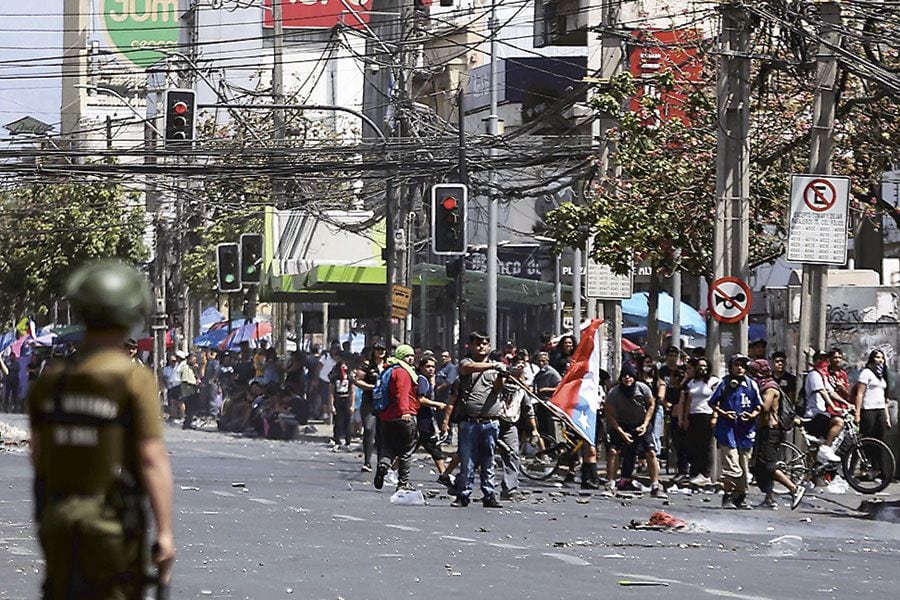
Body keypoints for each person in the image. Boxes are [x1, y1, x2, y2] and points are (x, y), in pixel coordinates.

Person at [27, 259, 174, 598]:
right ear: (131, 311)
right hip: (112, 526)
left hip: (58, 522)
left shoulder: (51, 381)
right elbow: (151, 458)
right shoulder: (133, 378)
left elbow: (39, 457)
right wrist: (165, 534)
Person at [444, 332, 507, 508]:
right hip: (469, 422)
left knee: (488, 461)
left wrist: (502, 374)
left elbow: (497, 390)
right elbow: (467, 369)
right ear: (471, 346)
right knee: (467, 461)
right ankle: (464, 494)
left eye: (485, 344)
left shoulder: (495, 369)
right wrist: (493, 366)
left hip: (490, 422)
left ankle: (489, 495)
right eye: (477, 344)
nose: (481, 347)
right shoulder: (467, 363)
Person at [748, 359, 805, 510]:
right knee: (758, 466)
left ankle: (794, 488)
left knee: (768, 466)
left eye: (754, 373)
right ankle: (769, 498)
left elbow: (764, 407)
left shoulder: (770, 388)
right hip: (763, 430)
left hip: (771, 431)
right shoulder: (762, 386)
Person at [604, 363, 667, 498]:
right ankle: (610, 484)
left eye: (630, 376)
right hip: (621, 424)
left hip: (640, 424)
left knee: (650, 452)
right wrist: (621, 432)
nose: (627, 378)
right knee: (613, 451)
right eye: (624, 376)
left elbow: (651, 404)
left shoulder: (643, 388)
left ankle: (656, 485)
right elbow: (609, 414)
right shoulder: (614, 393)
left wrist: (645, 424)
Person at [708, 354, 762, 509]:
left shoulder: (751, 384)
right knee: (732, 466)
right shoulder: (724, 384)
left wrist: (751, 415)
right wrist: (723, 413)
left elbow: (758, 406)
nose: (740, 368)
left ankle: (740, 496)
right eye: (736, 365)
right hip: (727, 429)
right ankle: (727, 495)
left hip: (745, 430)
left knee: (744, 466)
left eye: (743, 365)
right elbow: (712, 402)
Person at [374, 345, 420, 491]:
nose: (411, 358)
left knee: (388, 447)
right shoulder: (403, 372)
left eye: (412, 355)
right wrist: (405, 411)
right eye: (407, 356)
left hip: (387, 417)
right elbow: (402, 393)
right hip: (404, 416)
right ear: (401, 356)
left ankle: (383, 465)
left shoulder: (389, 369)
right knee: (406, 451)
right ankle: (403, 482)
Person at [497, 358, 540, 499]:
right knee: (484, 454)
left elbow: (529, 411)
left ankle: (510, 489)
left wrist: (534, 429)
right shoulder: (497, 386)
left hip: (510, 425)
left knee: (513, 454)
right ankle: (483, 488)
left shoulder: (521, 392)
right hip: (493, 422)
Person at [680, 357, 719, 486]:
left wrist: (715, 416)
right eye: (700, 366)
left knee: (706, 446)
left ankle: (705, 474)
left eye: (705, 366)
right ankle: (695, 472)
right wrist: (685, 418)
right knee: (693, 445)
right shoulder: (692, 382)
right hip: (693, 415)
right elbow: (688, 401)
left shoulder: (713, 381)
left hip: (707, 414)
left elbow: (717, 400)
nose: (702, 369)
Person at [803, 351, 847, 463]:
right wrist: (833, 406)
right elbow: (822, 391)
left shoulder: (823, 375)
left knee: (815, 449)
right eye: (820, 359)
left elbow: (831, 392)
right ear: (815, 361)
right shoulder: (814, 375)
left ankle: (811, 476)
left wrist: (846, 403)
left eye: (825, 359)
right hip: (813, 414)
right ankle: (826, 448)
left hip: (821, 413)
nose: (823, 362)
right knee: (838, 422)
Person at [355, 343, 387, 472]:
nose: (380, 352)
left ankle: (381, 462)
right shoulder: (367, 365)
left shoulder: (389, 365)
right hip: (369, 401)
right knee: (369, 429)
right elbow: (358, 380)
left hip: (385, 402)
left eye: (382, 349)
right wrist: (372, 387)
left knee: (382, 432)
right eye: (378, 349)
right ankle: (367, 461)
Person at [415, 357, 448, 478]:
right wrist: (437, 404)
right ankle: (444, 474)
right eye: (428, 367)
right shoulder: (422, 380)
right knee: (434, 447)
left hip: (425, 419)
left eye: (433, 367)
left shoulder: (427, 380)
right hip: (422, 419)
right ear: (421, 367)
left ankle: (391, 470)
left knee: (411, 448)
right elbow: (421, 399)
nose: (431, 369)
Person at [853, 349, 892, 442]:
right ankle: (864, 456)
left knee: (880, 439)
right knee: (868, 437)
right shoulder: (866, 373)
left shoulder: (882, 376)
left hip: (880, 410)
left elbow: (884, 398)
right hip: (868, 410)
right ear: (872, 359)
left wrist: (887, 417)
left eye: (882, 358)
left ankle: (877, 456)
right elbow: (860, 394)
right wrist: (857, 414)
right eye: (878, 357)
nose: (880, 360)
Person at [329, 354, 354, 449]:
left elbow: (352, 391)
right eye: (342, 365)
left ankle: (348, 441)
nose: (344, 367)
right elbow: (331, 392)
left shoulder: (349, 377)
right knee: (338, 421)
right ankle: (337, 440)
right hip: (338, 398)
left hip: (347, 398)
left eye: (345, 365)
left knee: (348, 421)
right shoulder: (335, 377)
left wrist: (352, 405)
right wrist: (331, 405)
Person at [162, 353, 181, 421]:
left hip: (178, 385)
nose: (173, 362)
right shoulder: (166, 369)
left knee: (179, 402)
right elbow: (164, 378)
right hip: (170, 387)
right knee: (172, 401)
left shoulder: (179, 368)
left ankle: (181, 415)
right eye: (172, 361)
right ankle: (173, 415)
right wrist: (166, 385)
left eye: (174, 361)